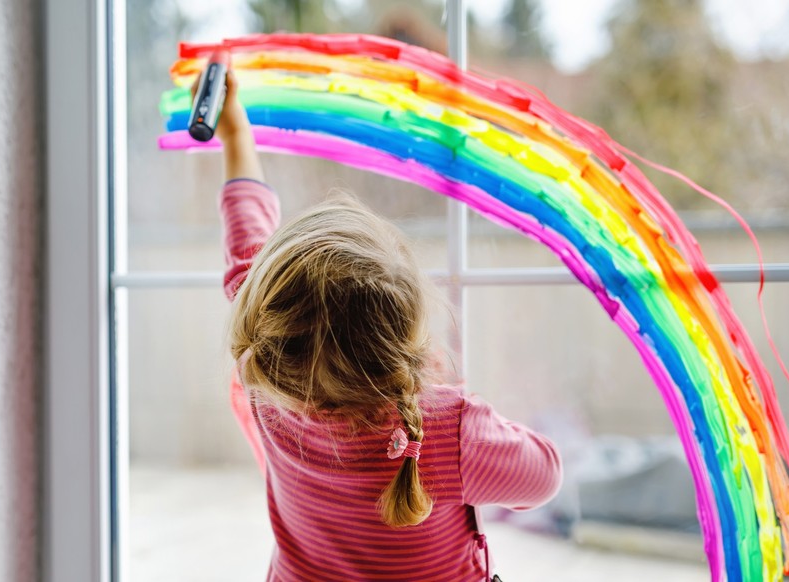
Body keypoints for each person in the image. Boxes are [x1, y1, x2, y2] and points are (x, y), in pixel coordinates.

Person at [196, 67, 563, 582]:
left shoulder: (270, 363)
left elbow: (246, 239)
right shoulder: (450, 429)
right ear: (409, 334)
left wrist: (235, 135)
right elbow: (542, 476)